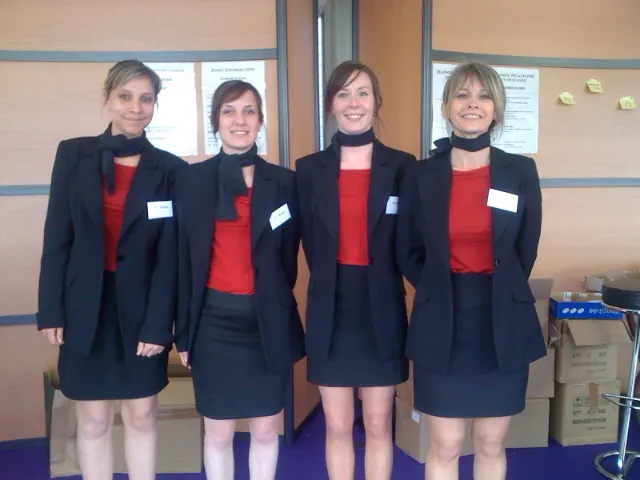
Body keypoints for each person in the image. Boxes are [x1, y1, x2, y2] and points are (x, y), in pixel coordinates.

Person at [37, 59, 186, 479]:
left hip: (141, 311)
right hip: (84, 308)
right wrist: (50, 309)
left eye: (146, 99)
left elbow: (170, 257)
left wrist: (160, 325)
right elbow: (57, 237)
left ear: (155, 104)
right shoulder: (73, 154)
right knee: (93, 419)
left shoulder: (171, 170)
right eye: (125, 96)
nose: (136, 108)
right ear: (108, 98)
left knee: (142, 414)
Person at [397, 62, 546, 480]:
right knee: (444, 444)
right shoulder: (421, 175)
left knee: (490, 442)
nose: (472, 104)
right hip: (442, 319)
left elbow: (525, 249)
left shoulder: (520, 171)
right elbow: (408, 249)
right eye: (462, 95)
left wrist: (495, 284)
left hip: (502, 318)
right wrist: (438, 287)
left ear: (496, 109)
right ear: (446, 107)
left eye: (483, 96)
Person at [174, 79, 305, 480]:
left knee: (265, 429)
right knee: (218, 433)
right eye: (229, 111)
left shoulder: (284, 182)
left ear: (260, 120)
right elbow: (183, 261)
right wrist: (184, 333)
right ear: (215, 121)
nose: (239, 120)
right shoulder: (193, 180)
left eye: (249, 111)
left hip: (266, 322)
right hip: (212, 324)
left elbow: (287, 258)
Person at [296, 60, 416, 480]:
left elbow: (413, 238)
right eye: (343, 93)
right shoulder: (308, 169)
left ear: (376, 102)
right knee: (337, 426)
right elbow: (307, 239)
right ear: (331, 104)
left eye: (362, 93)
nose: (353, 103)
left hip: (382, 307)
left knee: (379, 425)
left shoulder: (402, 167)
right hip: (330, 309)